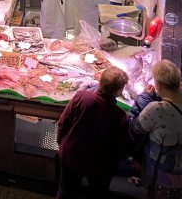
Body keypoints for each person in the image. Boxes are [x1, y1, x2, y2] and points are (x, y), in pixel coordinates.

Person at [55, 66, 132, 199]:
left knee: (66, 192)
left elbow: (63, 123)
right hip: (101, 165)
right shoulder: (120, 116)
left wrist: (61, 143)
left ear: (100, 82)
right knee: (98, 195)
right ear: (119, 91)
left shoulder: (81, 97)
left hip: (71, 154)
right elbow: (123, 148)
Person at [131, 60, 182, 199]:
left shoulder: (156, 109)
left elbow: (136, 127)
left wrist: (144, 97)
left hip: (163, 176)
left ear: (158, 85)